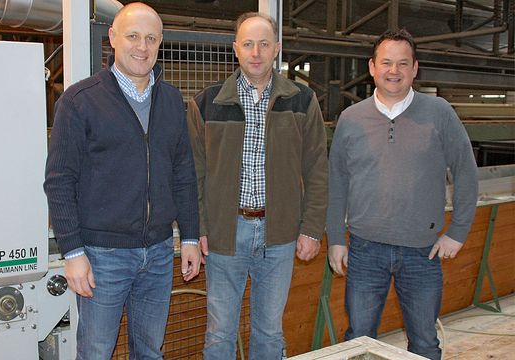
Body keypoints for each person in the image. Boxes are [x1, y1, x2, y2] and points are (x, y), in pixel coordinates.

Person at [44, 3, 201, 359]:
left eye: (150, 38)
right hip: (103, 255)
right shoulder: (80, 101)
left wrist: (189, 236)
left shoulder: (173, 101)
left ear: (160, 42)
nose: (141, 47)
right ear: (113, 38)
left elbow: (184, 174)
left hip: (159, 251)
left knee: (150, 350)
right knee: (97, 352)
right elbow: (58, 180)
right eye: (132, 36)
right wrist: (73, 252)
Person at [326, 29, 478, 360]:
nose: (393, 71)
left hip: (422, 253)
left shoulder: (439, 113)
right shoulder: (351, 119)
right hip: (365, 250)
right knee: (359, 340)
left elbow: (466, 171)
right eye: (386, 63)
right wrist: (336, 238)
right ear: (372, 67)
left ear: (415, 68)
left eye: (402, 63)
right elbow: (336, 181)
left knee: (424, 342)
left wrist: (458, 231)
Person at [187, 12, 328, 359]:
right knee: (219, 332)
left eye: (264, 44)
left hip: (278, 235)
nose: (255, 52)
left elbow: (317, 170)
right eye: (248, 44)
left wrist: (311, 229)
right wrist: (200, 227)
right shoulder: (206, 104)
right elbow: (195, 175)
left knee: (269, 331)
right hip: (224, 235)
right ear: (236, 48)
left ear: (276, 49)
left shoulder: (302, 101)